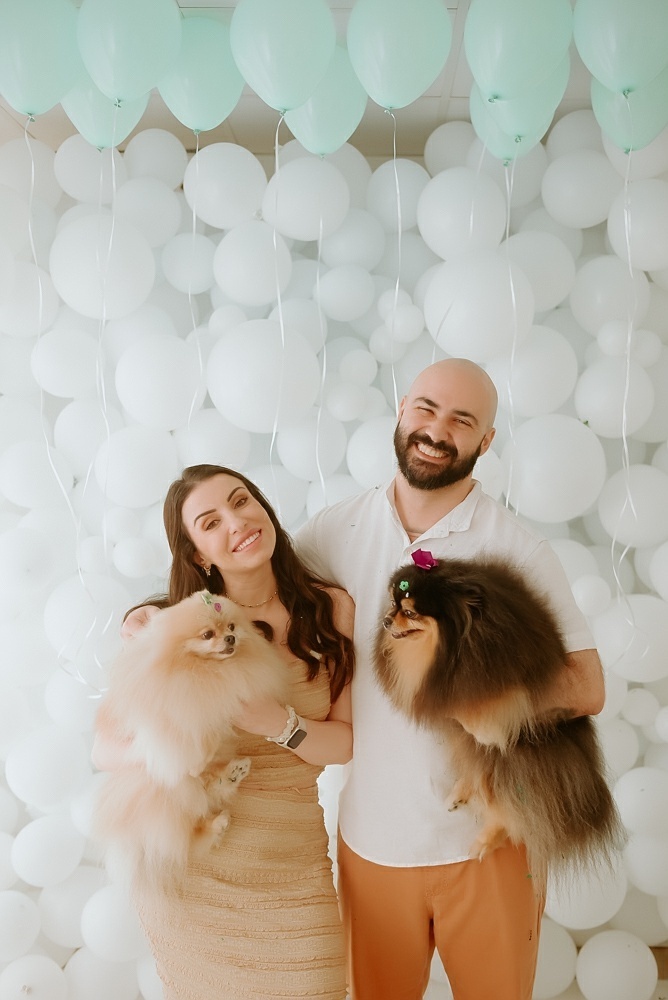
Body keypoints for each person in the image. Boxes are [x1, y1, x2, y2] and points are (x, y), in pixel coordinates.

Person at [295, 358, 606, 1000]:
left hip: (491, 847)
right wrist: (154, 616)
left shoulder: (516, 548)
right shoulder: (333, 532)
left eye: (463, 421)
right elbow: (250, 601)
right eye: (427, 408)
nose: (437, 430)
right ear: (402, 410)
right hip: (372, 843)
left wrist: (468, 696)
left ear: (485, 442)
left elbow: (586, 687)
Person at [92, 464, 354, 1000]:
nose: (236, 523)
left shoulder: (331, 609)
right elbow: (104, 748)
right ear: (197, 556)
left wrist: (280, 725)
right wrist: (174, 752)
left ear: (263, 507)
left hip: (293, 870)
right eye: (210, 522)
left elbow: (346, 743)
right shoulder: (171, 629)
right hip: (198, 873)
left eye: (241, 501)